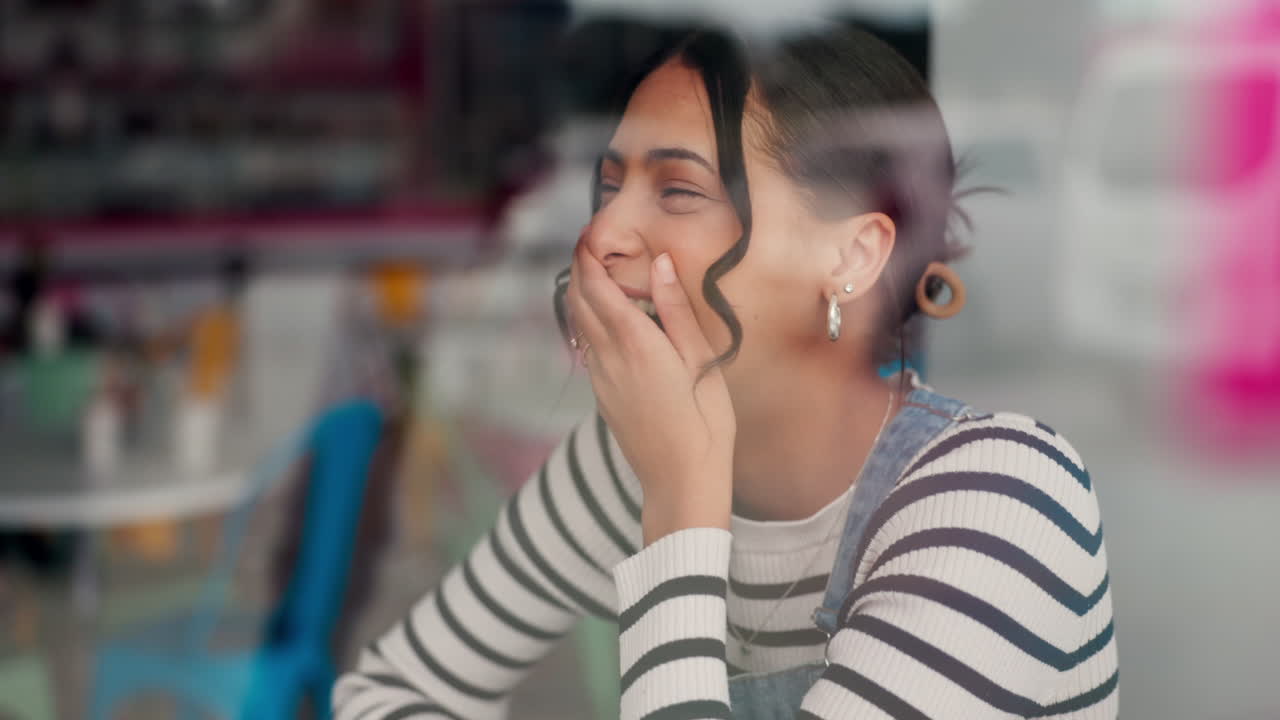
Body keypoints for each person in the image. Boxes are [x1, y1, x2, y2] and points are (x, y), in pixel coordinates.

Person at [333, 24, 1118, 720]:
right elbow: (388, 693)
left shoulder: (998, 503)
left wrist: (681, 494)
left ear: (853, 256)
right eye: (610, 185)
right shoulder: (618, 471)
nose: (603, 234)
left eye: (679, 190)